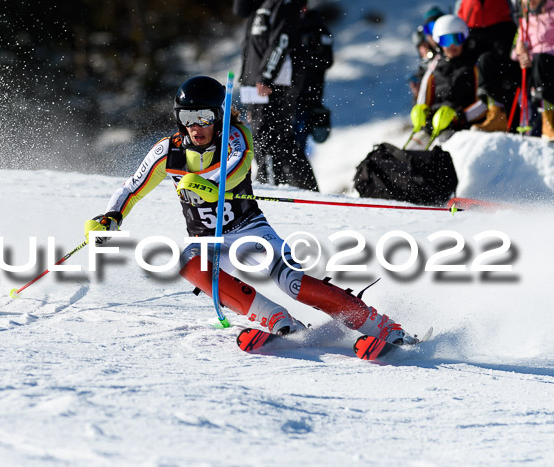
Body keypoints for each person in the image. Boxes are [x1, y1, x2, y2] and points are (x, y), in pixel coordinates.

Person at [85, 75, 418, 345]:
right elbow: (131, 187)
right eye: (188, 118)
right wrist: (111, 216)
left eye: (204, 118)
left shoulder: (235, 137)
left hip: (251, 232)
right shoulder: (166, 151)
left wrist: (203, 185)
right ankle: (276, 319)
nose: (196, 127)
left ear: (218, 118)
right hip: (209, 241)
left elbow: (235, 172)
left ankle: (383, 327)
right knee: (186, 263)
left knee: (294, 284)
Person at [233, 0, 320, 192]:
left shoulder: (283, 3)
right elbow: (241, 12)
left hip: (274, 82)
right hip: (256, 82)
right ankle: (302, 188)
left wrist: (267, 75)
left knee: (268, 137)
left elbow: (281, 41)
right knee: (275, 139)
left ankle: (269, 186)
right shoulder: (259, 6)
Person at [407, 15, 487, 149]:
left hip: (462, 128)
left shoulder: (473, 65)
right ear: (439, 42)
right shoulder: (435, 66)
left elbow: (485, 104)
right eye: (446, 40)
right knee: (412, 150)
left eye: (457, 39)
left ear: (464, 39)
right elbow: (424, 97)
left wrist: (460, 116)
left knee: (443, 152)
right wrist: (421, 111)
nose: (452, 45)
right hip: (433, 125)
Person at [456, 0, 521, 132]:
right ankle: (476, 118)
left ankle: (505, 118)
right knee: (466, 72)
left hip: (502, 27)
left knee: (503, 75)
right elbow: (459, 13)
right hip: (472, 29)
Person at [293, 4, 334, 156]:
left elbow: (327, 60)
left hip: (310, 96)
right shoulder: (288, 25)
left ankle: (300, 175)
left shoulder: (319, 28)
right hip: (289, 95)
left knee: (300, 143)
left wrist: (301, 57)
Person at [512, 0, 554, 140]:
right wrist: (521, 54)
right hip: (535, 67)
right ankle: (529, 122)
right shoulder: (525, 18)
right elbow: (517, 49)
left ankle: (549, 120)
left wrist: (538, 56)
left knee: (540, 61)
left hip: (549, 64)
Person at [409, 7, 445, 102]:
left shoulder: (453, 52)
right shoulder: (430, 62)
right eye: (429, 29)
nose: (433, 33)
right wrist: (417, 94)